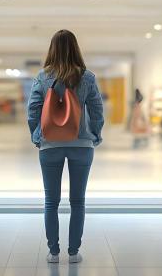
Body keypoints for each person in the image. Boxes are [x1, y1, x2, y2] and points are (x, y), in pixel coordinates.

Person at [27, 29, 104, 264]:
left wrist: (37, 136)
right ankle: (73, 252)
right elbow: (97, 110)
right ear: (76, 48)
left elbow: (33, 111)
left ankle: (53, 252)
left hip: (50, 145)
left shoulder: (42, 77)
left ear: (52, 49)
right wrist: (95, 135)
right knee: (78, 201)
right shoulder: (88, 77)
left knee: (51, 201)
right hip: (82, 145)